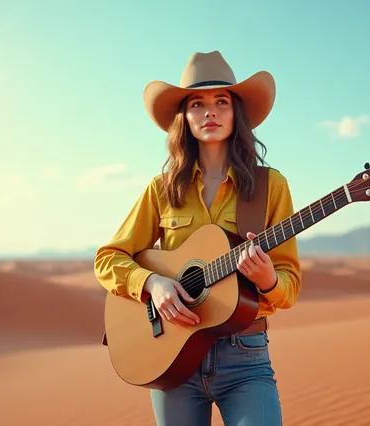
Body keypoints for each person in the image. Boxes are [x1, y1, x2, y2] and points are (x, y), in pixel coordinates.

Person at [94, 50, 302, 426]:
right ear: (184, 117)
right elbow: (108, 259)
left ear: (235, 112)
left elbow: (289, 284)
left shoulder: (271, 185)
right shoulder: (162, 188)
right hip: (174, 358)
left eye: (222, 101)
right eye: (197, 103)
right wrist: (153, 283)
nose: (210, 112)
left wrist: (266, 279)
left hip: (246, 357)